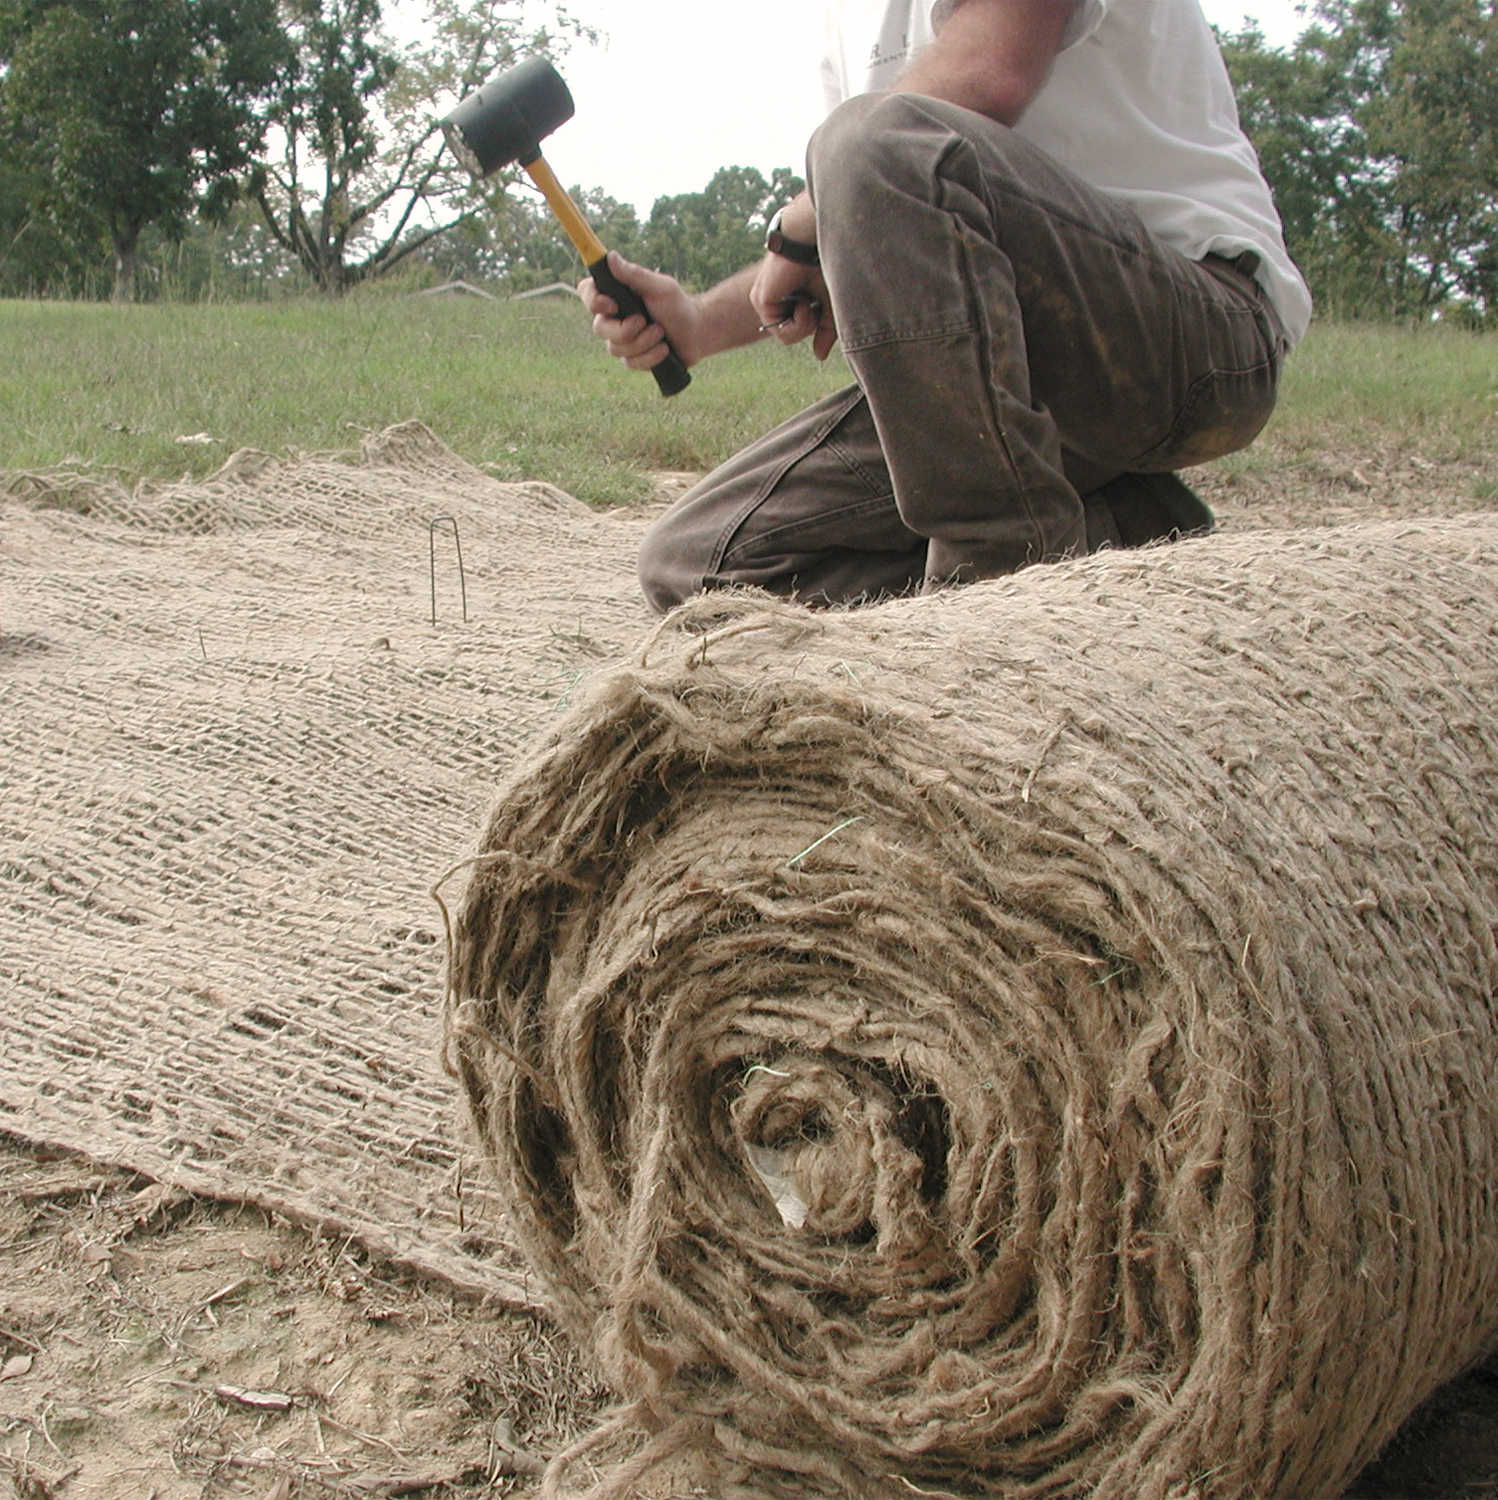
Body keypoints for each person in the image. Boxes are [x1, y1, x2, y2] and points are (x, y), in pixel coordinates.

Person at [579, 0, 1312, 612]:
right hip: (1011, 383)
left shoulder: (889, 128)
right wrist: (703, 321)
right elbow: (863, 217)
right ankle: (1123, 529)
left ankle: (995, 594)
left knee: (873, 142)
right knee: (700, 570)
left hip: (1192, 340)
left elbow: (982, 76)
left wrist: (805, 218)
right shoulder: (846, 24)